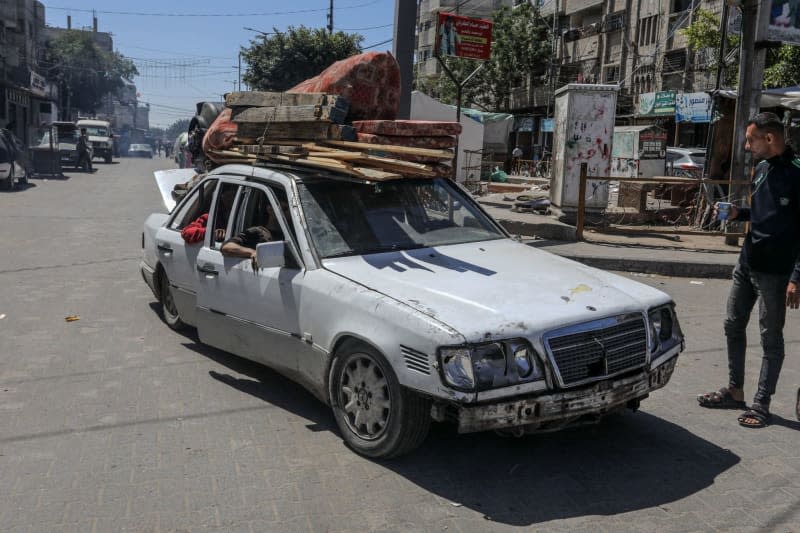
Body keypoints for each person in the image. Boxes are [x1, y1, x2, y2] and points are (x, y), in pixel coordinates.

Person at [697, 112, 800, 428]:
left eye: (750, 138)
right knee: (732, 324)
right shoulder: (763, 168)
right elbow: (762, 213)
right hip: (747, 261)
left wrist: (796, 278)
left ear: (769, 138)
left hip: (775, 271)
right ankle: (735, 390)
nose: (745, 145)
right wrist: (737, 212)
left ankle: (761, 404)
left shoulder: (797, 174)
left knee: (771, 338)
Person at [221, 198, 288, 269]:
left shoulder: (295, 236)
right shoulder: (258, 232)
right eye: (284, 209)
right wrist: (253, 252)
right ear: (270, 209)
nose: (288, 214)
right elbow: (226, 247)